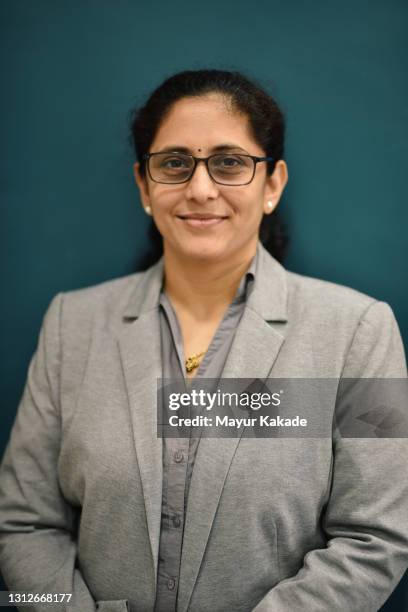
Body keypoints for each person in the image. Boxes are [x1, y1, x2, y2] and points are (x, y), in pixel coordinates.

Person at [0, 69, 407, 612]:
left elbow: (377, 538)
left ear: (273, 185)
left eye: (229, 162)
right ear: (145, 186)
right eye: (174, 163)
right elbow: (23, 523)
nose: (199, 188)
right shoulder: (72, 324)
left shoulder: (360, 330)